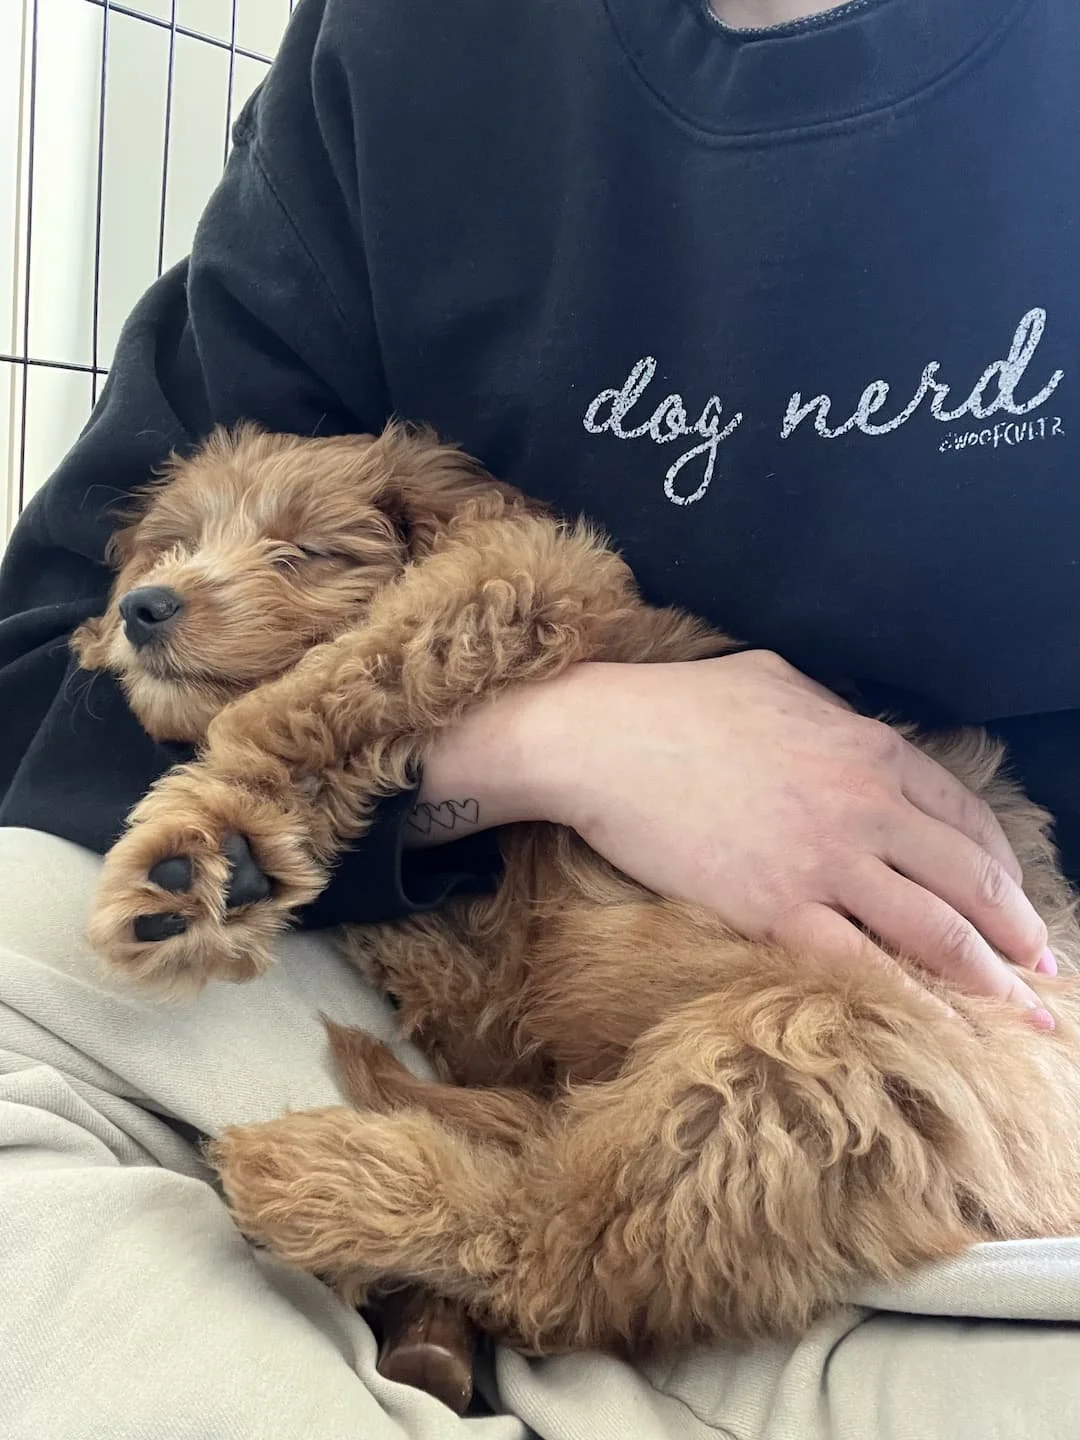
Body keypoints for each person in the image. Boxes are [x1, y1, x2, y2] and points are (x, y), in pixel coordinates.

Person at [0, 1, 1077, 1436]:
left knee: (826, 1125)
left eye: (300, 553)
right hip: (482, 996)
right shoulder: (404, 51)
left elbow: (512, 588)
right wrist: (538, 750)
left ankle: (512, 1262)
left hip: (939, 1075)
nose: (188, 586)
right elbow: (40, 674)